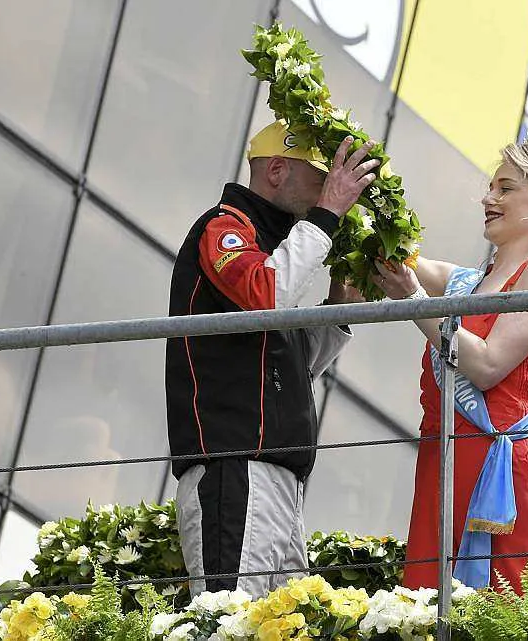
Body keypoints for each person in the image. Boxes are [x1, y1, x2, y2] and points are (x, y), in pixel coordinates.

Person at [165, 120, 379, 598]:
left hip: (277, 476)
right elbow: (266, 294)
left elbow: (291, 367)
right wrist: (327, 215)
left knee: (278, 626)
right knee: (230, 620)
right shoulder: (225, 226)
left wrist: (340, 304)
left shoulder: (270, 248)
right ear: (277, 171)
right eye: (323, 177)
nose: (333, 190)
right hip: (235, 467)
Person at [373, 135, 528, 592]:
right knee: (430, 605)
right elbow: (398, 254)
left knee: (502, 611)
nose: (489, 198)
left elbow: (489, 365)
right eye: (491, 187)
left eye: (506, 188)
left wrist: (413, 298)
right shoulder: (466, 283)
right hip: (443, 459)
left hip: (500, 473)